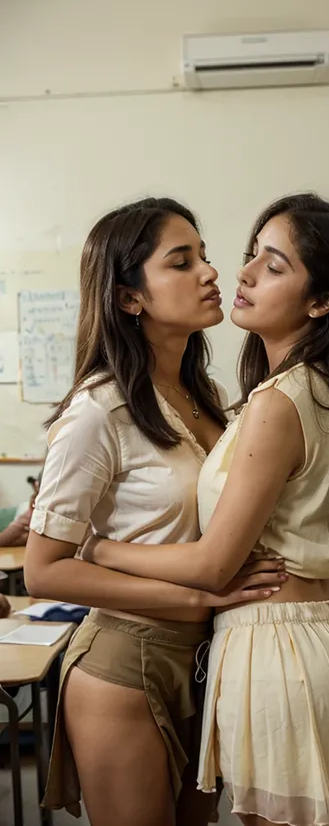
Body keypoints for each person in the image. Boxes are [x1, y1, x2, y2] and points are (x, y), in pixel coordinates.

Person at [85, 193, 329, 826]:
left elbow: (212, 565)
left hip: (279, 648)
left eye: (274, 264)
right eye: (250, 255)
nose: (242, 273)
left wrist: (94, 547)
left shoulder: (279, 401)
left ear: (321, 302)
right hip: (326, 632)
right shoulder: (322, 386)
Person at [24, 197, 286, 826]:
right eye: (181, 261)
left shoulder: (208, 398)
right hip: (126, 660)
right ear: (128, 297)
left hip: (207, 655)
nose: (211, 272)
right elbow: (45, 571)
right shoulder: (98, 410)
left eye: (204, 255)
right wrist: (199, 600)